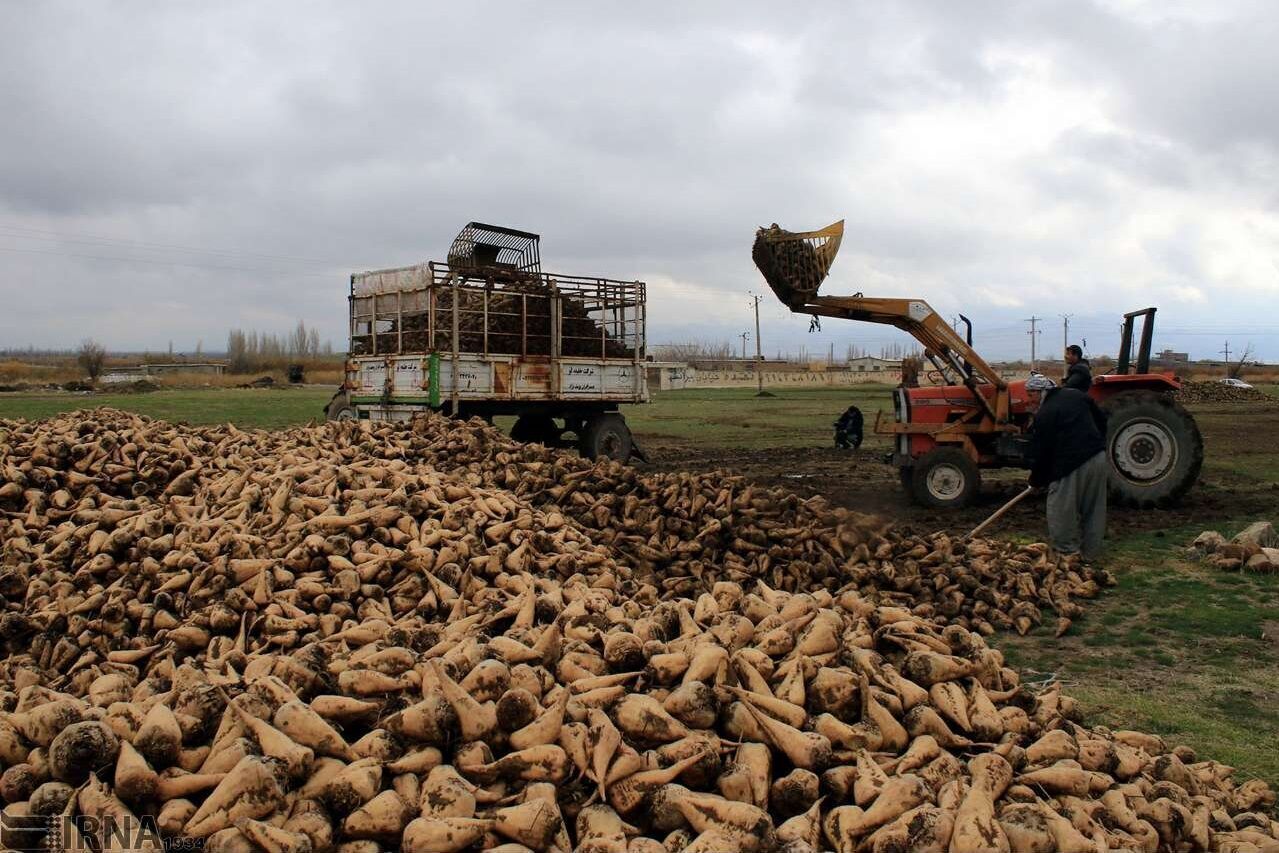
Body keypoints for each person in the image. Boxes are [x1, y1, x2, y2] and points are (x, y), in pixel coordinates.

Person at [1025, 373, 1109, 562]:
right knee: (1094, 509)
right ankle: (1090, 555)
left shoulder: (1045, 415)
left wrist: (1036, 479)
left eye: (1030, 395)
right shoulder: (1076, 395)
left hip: (1071, 466)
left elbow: (1042, 453)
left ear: (1040, 392)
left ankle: (1067, 554)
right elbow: (1102, 419)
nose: (1028, 399)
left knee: (1060, 509)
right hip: (1098, 458)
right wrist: (1098, 443)